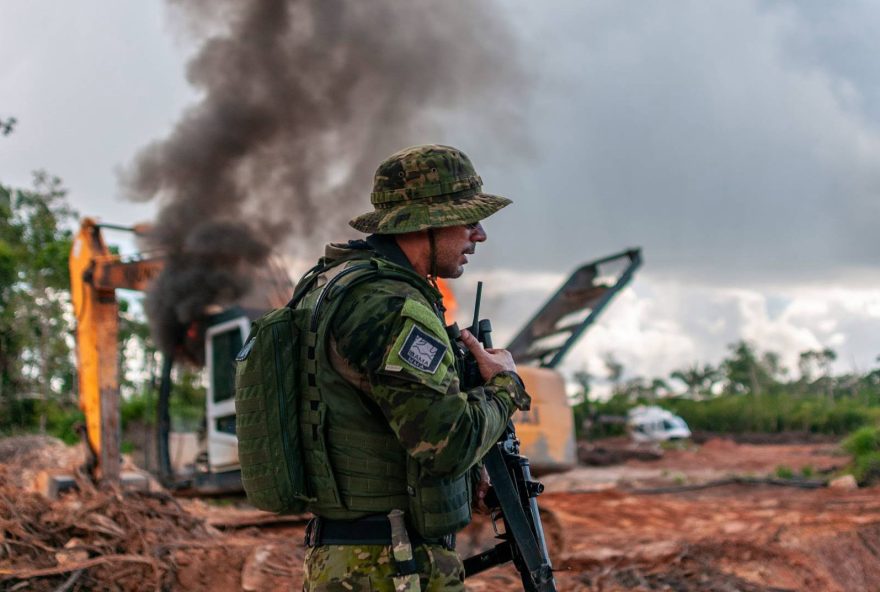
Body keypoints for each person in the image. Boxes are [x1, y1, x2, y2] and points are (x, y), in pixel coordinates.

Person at [298, 144, 531, 591]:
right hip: (390, 565)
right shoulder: (392, 308)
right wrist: (506, 383)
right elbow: (447, 446)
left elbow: (382, 423)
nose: (479, 235)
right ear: (427, 220)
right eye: (469, 219)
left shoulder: (337, 285)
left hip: (360, 558)